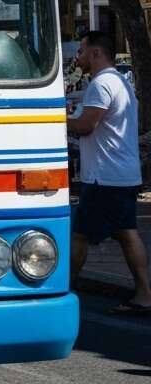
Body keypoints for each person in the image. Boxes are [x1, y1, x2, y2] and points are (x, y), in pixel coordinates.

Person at [67, 30, 151, 313]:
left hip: (104, 175)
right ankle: (144, 293)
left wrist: (56, 120)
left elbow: (86, 125)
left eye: (81, 51)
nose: (77, 57)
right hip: (121, 172)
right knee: (126, 232)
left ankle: (63, 288)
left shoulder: (101, 84)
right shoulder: (121, 82)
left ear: (95, 53)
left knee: (80, 235)